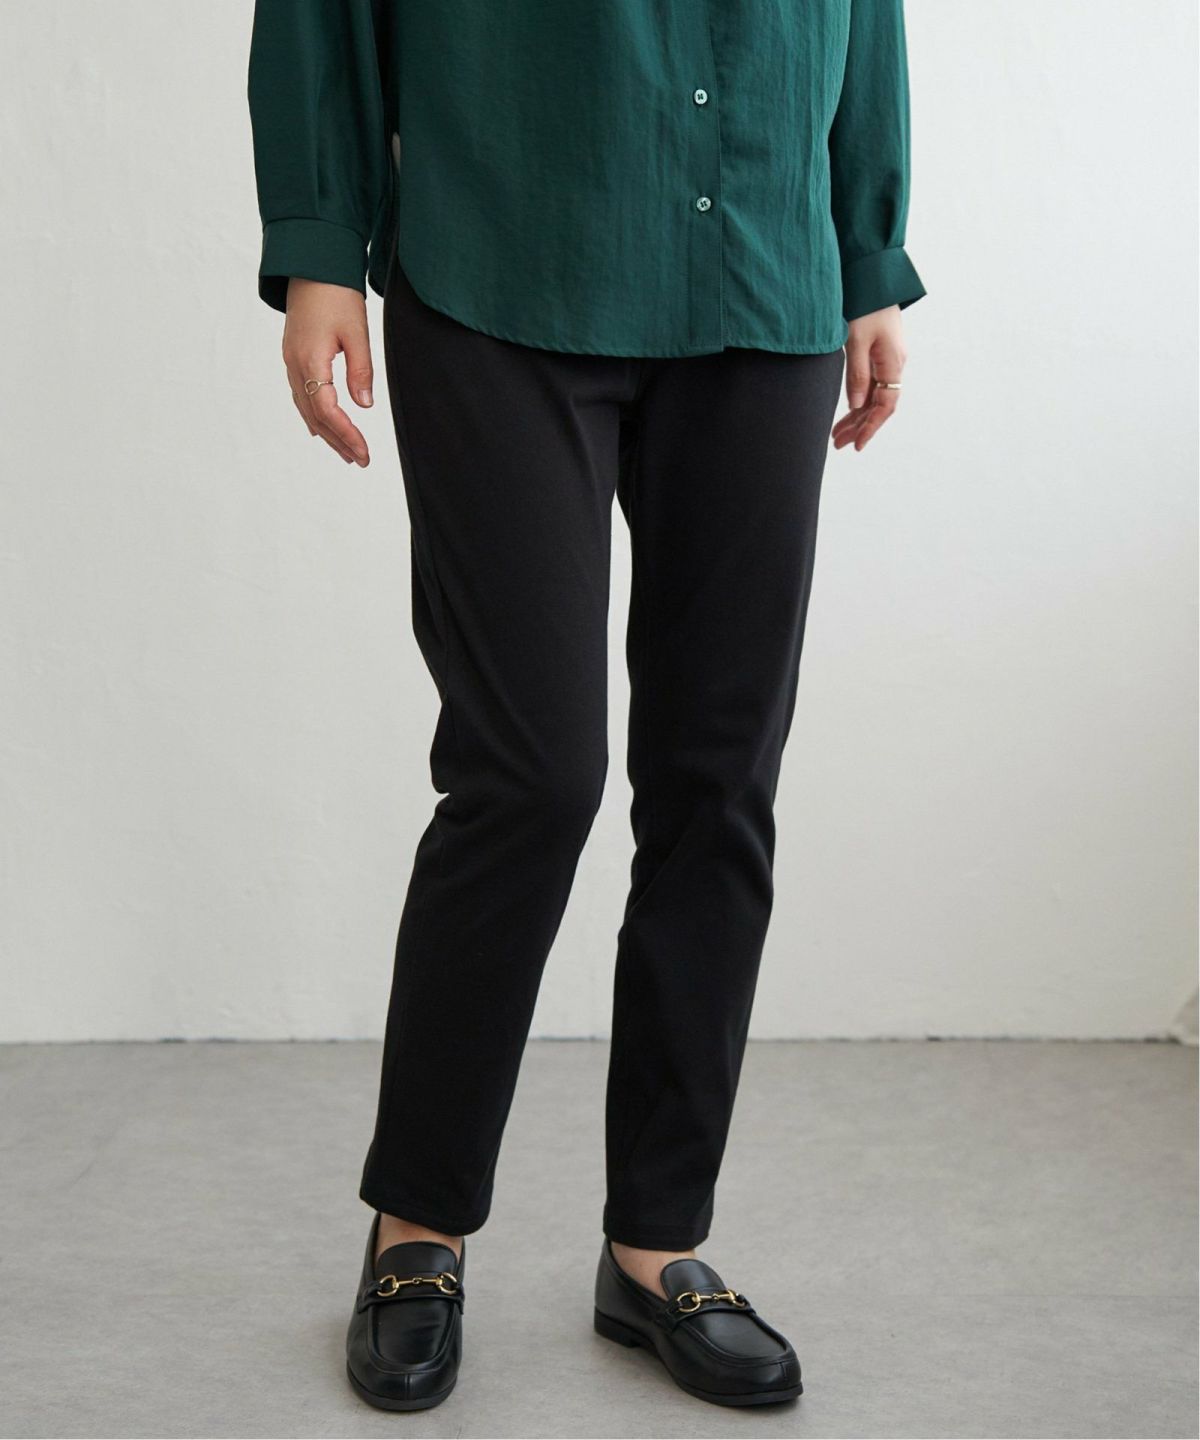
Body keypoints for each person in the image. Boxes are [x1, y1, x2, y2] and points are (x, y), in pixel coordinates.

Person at [248, 0, 925, 1413]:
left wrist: (867, 252)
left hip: (763, 269)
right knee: (528, 777)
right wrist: (320, 244)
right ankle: (417, 1225)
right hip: (502, 250)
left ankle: (656, 1245)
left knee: (719, 779)